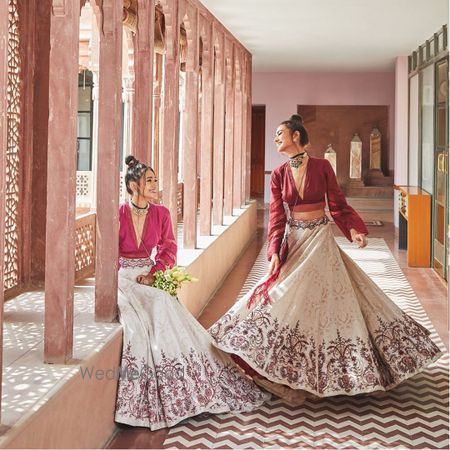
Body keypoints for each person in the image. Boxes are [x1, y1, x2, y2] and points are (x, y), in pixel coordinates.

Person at [209, 114, 442, 405]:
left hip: (320, 240)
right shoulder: (279, 174)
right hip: (294, 242)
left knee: (319, 300)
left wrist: (354, 229)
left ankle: (333, 372)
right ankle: (283, 372)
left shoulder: (322, 167)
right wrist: (273, 254)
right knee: (282, 298)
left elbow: (338, 204)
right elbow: (277, 217)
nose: (275, 138)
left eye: (280, 133)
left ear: (296, 136)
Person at [115, 155, 269, 430]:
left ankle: (183, 384)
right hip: (123, 278)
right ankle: (143, 395)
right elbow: (109, 253)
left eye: (155, 181)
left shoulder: (160, 213)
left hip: (149, 275)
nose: (155, 185)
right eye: (149, 181)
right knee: (137, 327)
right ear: (134, 185)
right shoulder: (119, 213)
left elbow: (169, 249)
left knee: (164, 304)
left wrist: (154, 274)